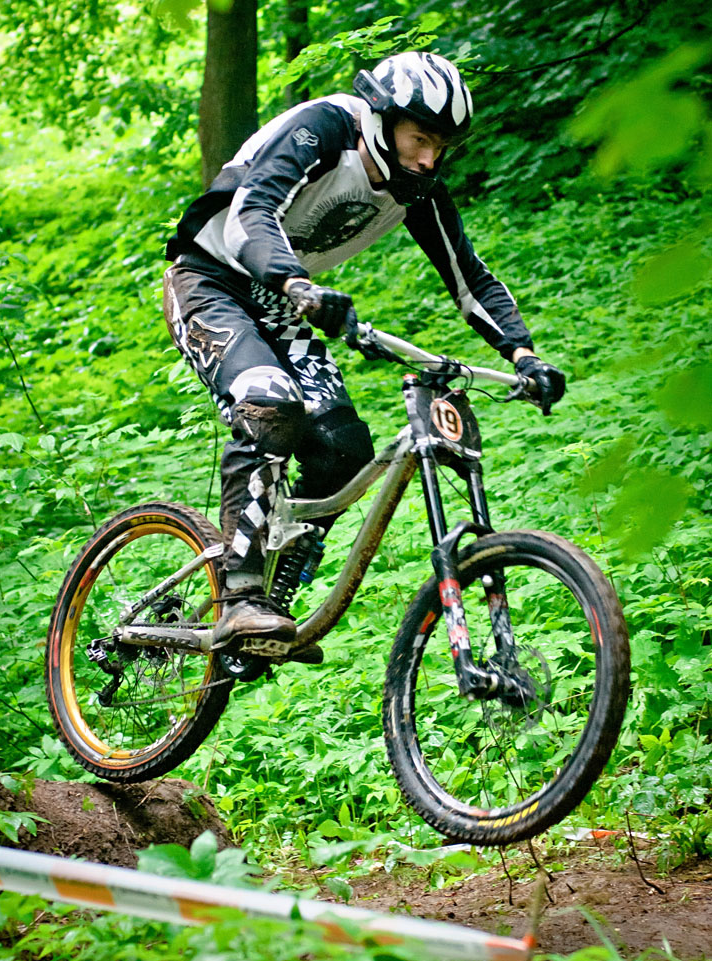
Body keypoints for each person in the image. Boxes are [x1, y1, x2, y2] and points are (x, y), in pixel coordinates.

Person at [163, 51, 565, 656]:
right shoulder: (322, 129)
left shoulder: (418, 189)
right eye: (420, 139)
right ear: (381, 118)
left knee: (344, 450)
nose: (429, 159)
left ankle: (275, 599)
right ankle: (240, 594)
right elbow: (250, 213)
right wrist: (298, 284)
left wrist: (524, 356)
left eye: (441, 147)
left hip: (282, 300)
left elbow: (471, 280)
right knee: (270, 402)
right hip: (208, 280)